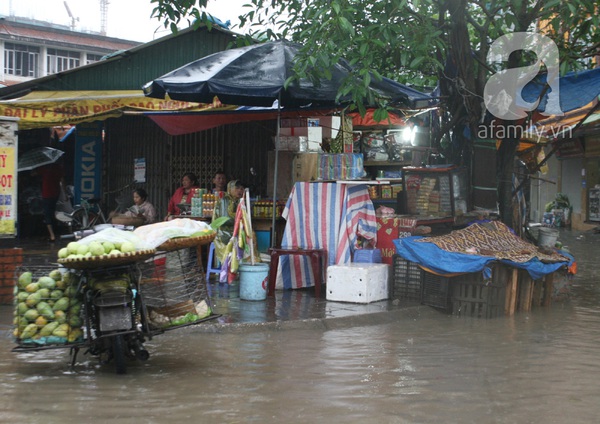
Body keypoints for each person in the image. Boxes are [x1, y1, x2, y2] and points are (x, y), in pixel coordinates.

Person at [212, 180, 245, 260]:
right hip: (222, 232)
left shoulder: (237, 201)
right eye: (237, 188)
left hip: (232, 230)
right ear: (230, 189)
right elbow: (225, 220)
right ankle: (233, 263)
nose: (240, 191)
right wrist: (240, 221)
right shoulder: (225, 200)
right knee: (241, 239)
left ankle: (241, 262)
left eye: (241, 189)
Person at [33, 162, 64, 242]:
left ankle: (52, 235)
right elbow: (62, 180)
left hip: (47, 194)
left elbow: (33, 174)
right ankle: (54, 232)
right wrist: (65, 193)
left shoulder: (44, 168)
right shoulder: (58, 167)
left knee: (47, 214)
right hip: (56, 193)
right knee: (52, 212)